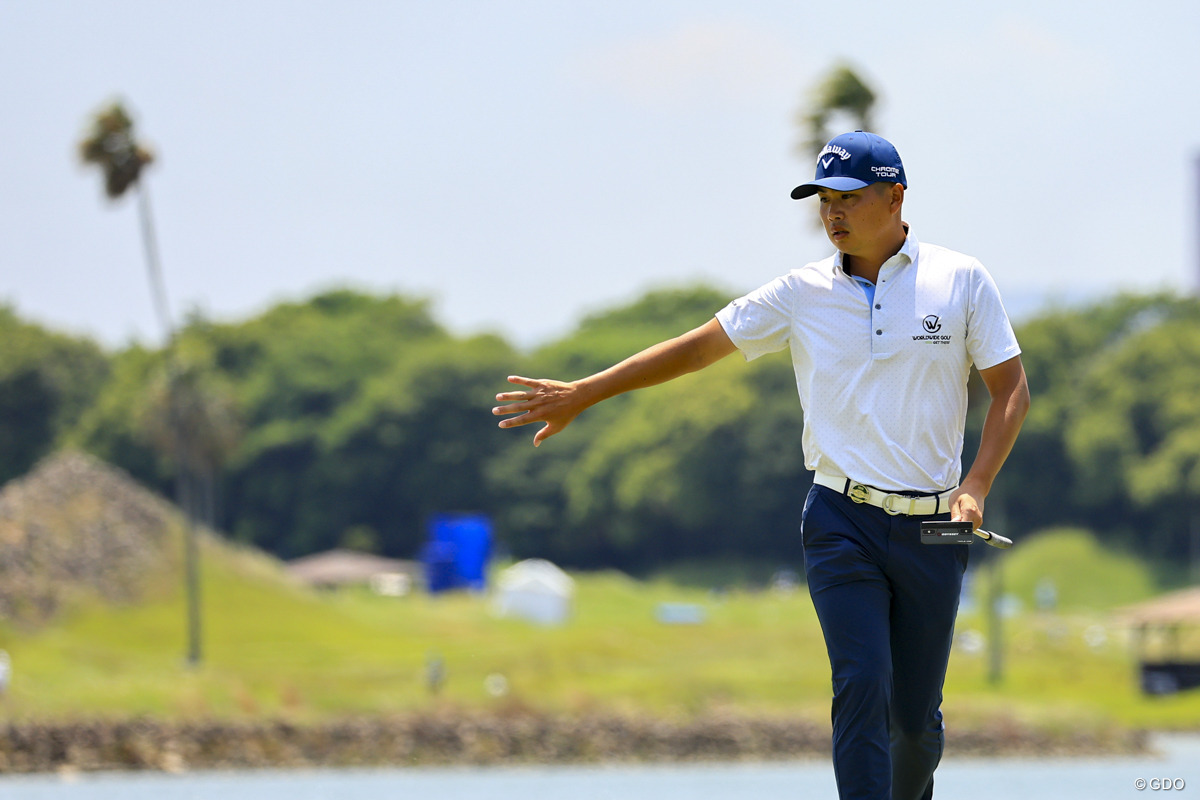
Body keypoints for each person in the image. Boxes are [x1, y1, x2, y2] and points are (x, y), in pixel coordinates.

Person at [493, 130, 1029, 800]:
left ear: (895, 197)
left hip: (934, 527)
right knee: (861, 683)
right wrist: (584, 392)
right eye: (824, 200)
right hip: (841, 520)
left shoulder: (961, 279)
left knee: (915, 725)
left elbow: (1011, 389)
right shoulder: (801, 292)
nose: (832, 212)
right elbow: (697, 349)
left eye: (848, 198)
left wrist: (976, 484)